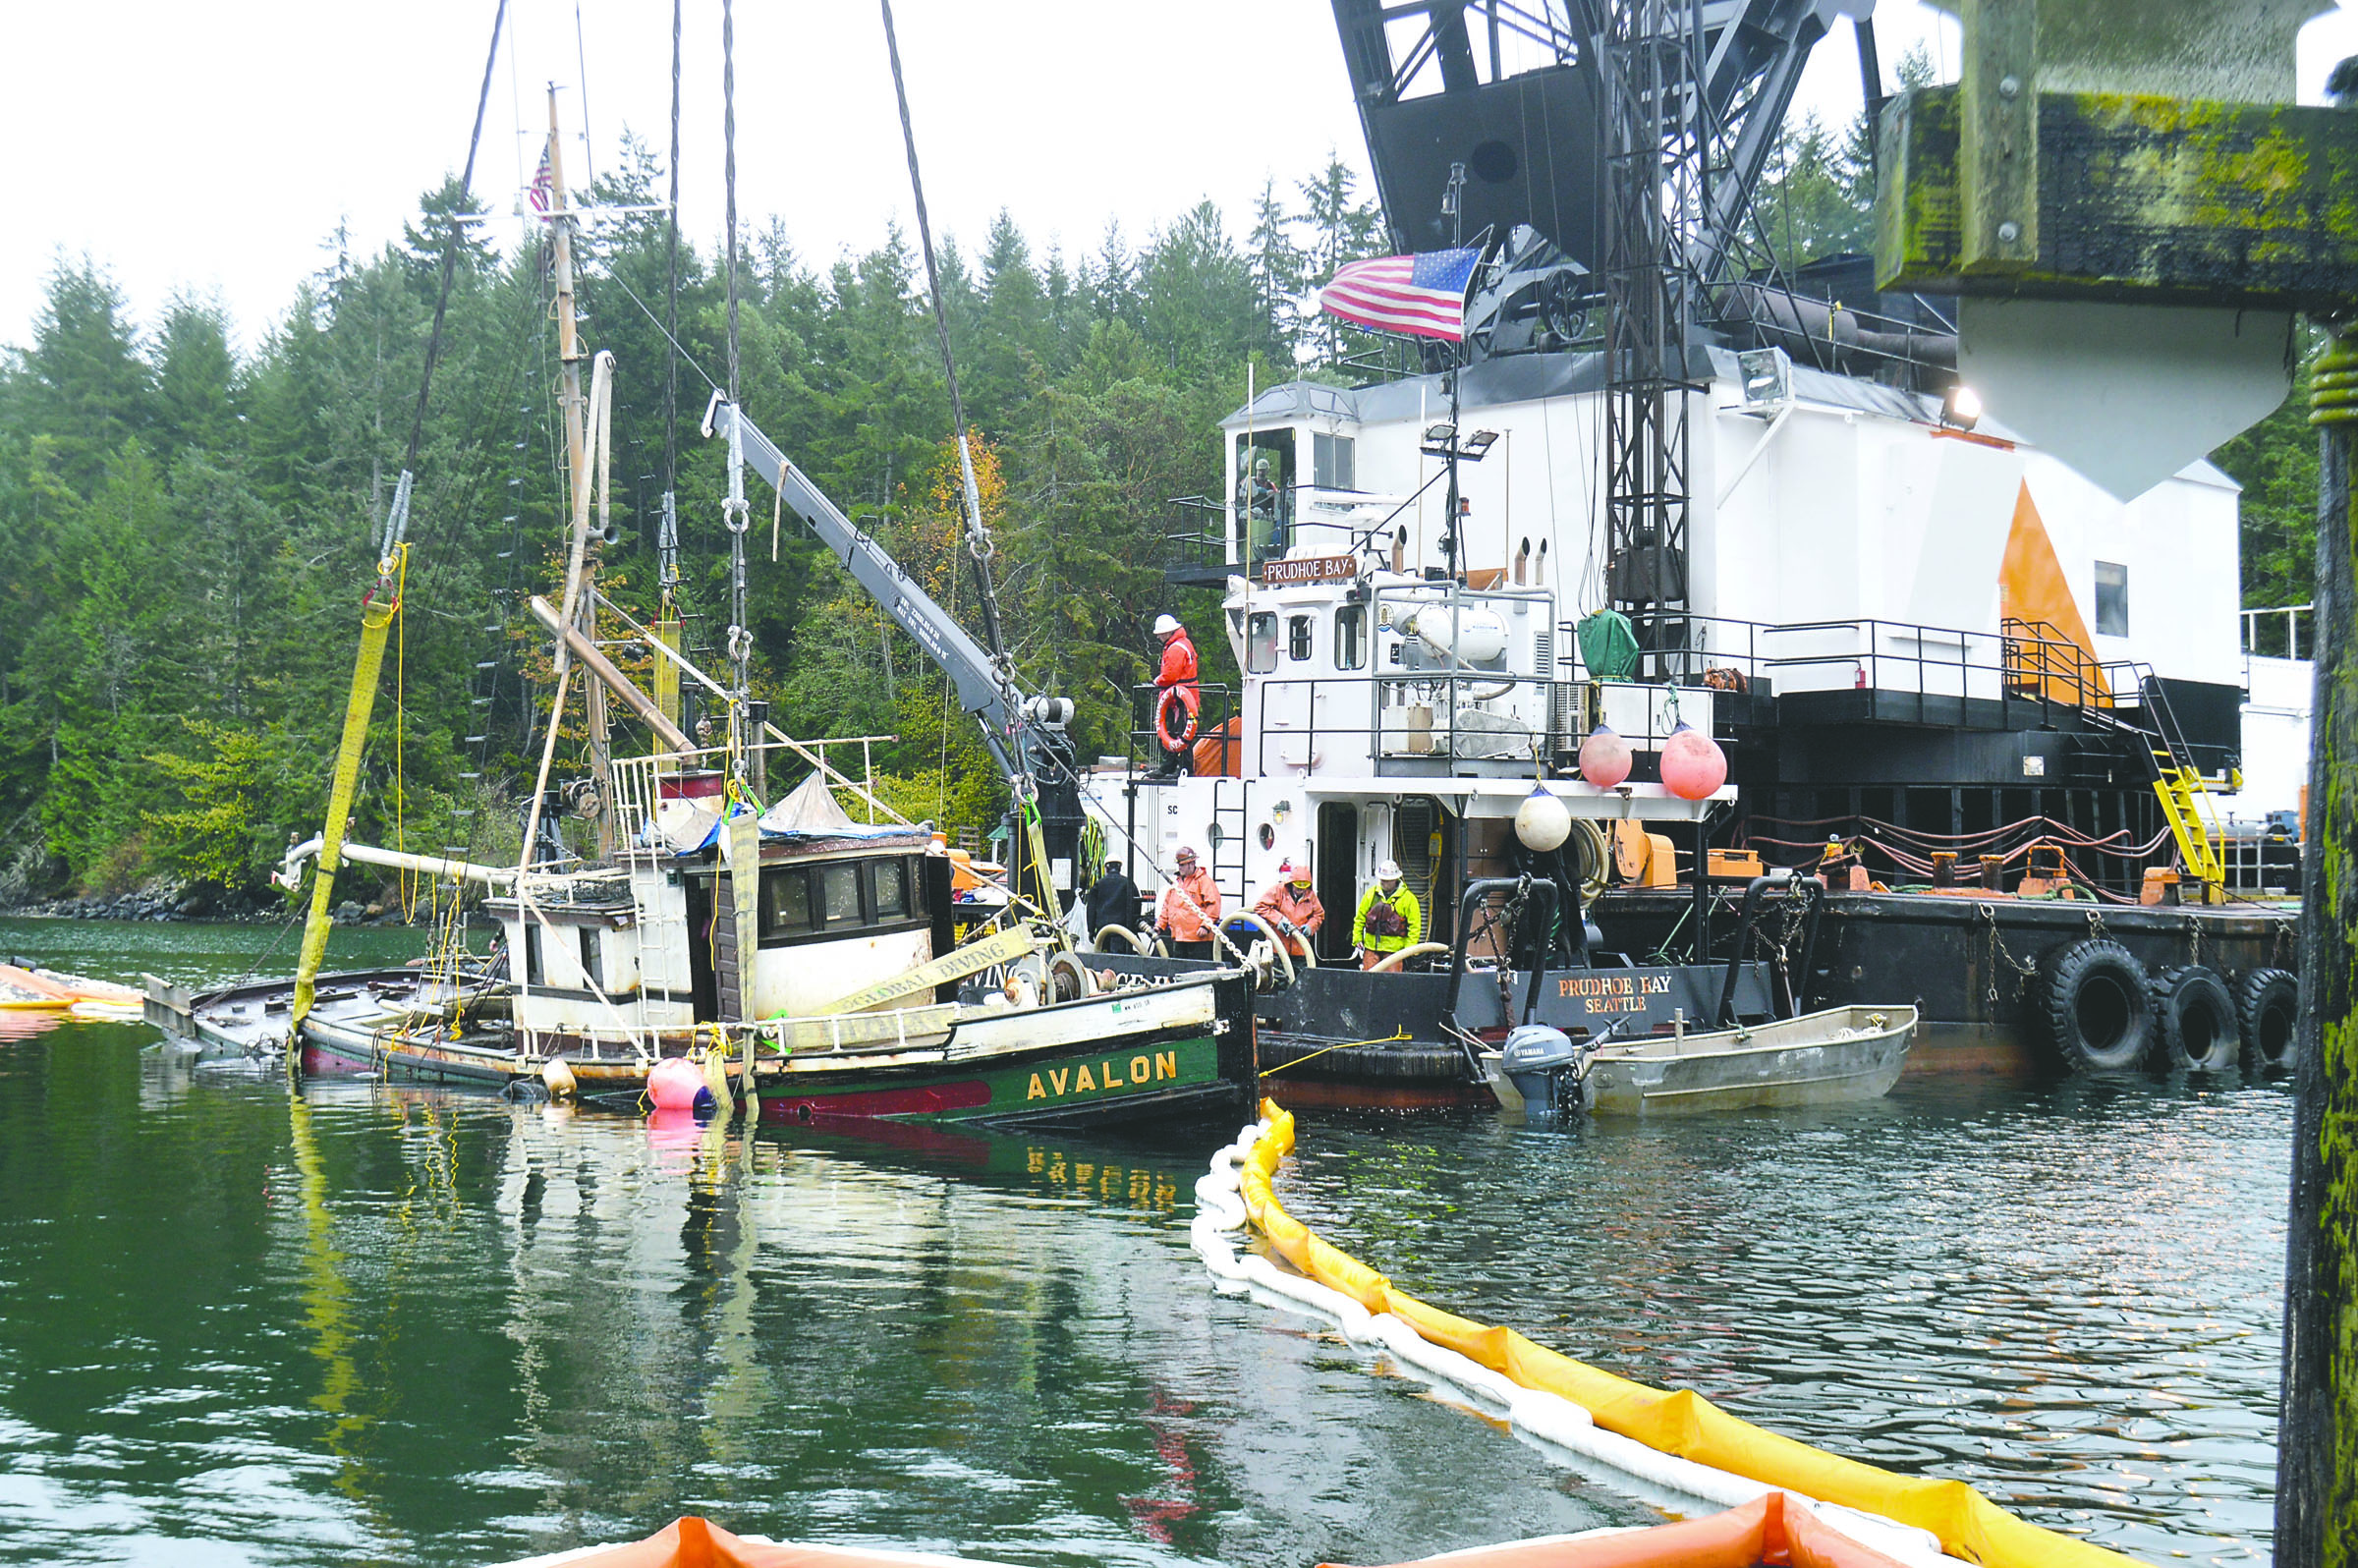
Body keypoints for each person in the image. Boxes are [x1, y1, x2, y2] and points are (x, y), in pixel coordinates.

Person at [1150, 612, 1201, 779]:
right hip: (1182, 696)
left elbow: (1170, 675)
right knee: (1177, 731)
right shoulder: (1182, 644)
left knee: (1182, 732)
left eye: (1159, 634)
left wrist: (1156, 681)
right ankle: (1172, 767)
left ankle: (1183, 768)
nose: (1158, 638)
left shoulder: (1176, 648)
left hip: (1182, 699)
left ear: (1167, 633)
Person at [1353, 859, 1423, 971]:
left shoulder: (1408, 899)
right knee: (1367, 981)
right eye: (1382, 879)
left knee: (1391, 983)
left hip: (1394, 951)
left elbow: (1415, 926)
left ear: (1395, 879)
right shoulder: (1371, 894)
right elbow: (1360, 918)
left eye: (1387, 880)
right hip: (1371, 948)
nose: (1383, 882)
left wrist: (1408, 949)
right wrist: (1357, 938)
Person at [1155, 846, 1222, 961]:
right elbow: (1167, 907)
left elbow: (1213, 905)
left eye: (1182, 865)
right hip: (1179, 938)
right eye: (1179, 865)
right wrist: (1159, 926)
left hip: (1198, 940)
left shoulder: (1204, 881)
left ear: (1191, 864)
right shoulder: (1176, 885)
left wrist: (1205, 926)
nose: (1179, 868)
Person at [1253, 858, 1324, 960]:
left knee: (1299, 975)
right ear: (1292, 882)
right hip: (1277, 949)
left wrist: (1310, 926)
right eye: (1298, 885)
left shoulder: (1311, 896)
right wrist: (1278, 921)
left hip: (1300, 950)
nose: (1301, 889)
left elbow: (1319, 915)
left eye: (1304, 886)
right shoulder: (1278, 890)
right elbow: (1260, 906)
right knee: (1277, 975)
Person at [1083, 858, 1143, 949]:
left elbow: (1091, 909)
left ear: (1106, 868)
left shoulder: (1099, 885)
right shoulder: (1128, 883)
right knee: (1122, 961)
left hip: (1103, 933)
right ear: (1120, 868)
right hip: (1123, 933)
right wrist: (1133, 927)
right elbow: (1137, 904)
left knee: (1105, 961)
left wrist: (1091, 930)